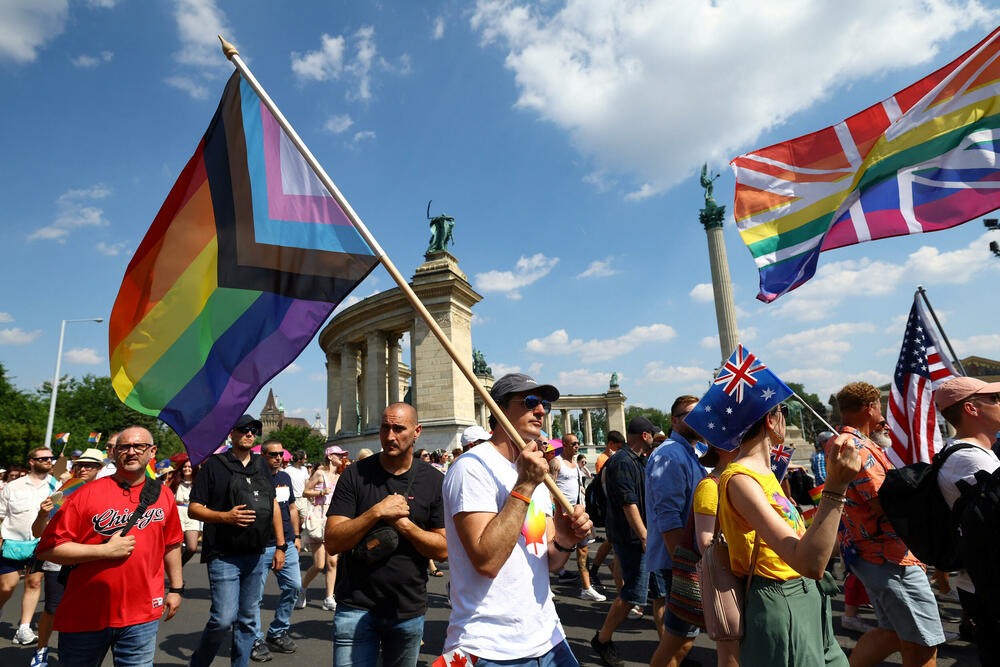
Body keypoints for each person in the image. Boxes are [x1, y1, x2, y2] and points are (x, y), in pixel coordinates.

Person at [442, 373, 591, 665]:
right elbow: (487, 561)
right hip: (489, 648)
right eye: (530, 402)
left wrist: (564, 540)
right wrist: (524, 486)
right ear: (499, 409)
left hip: (548, 638)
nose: (541, 411)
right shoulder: (471, 468)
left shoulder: (535, 470)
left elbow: (549, 561)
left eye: (544, 404)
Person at [719, 402, 860, 665]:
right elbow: (809, 563)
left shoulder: (766, 474)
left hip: (808, 596)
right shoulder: (740, 480)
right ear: (770, 421)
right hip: (782, 600)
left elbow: (811, 550)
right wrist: (836, 486)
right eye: (783, 411)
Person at [35, 426, 184, 666]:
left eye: (139, 446)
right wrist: (103, 551)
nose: (132, 452)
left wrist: (177, 589)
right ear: (114, 452)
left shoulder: (164, 495)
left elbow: (172, 544)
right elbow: (47, 549)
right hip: (86, 613)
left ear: (152, 451)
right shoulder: (83, 494)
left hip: (141, 616)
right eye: (124, 447)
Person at [326, 403, 447, 666]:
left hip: (407, 609)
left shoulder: (433, 480)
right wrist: (376, 513)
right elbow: (333, 542)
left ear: (417, 432)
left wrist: (405, 526)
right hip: (355, 606)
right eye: (385, 427)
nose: (390, 436)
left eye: (399, 429)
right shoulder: (355, 474)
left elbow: (442, 550)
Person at [834, 382, 945, 667]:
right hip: (890, 556)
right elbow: (883, 502)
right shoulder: (857, 446)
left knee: (892, 633)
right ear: (870, 407)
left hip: (874, 553)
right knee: (924, 644)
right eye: (879, 406)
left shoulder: (845, 441)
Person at [188, 414, 287, 667]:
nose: (250, 433)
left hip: (256, 553)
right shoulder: (213, 465)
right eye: (244, 429)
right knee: (223, 619)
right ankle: (198, 663)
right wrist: (225, 517)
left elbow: (273, 504)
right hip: (223, 555)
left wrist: (280, 545)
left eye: (255, 429)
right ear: (231, 433)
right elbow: (194, 509)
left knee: (247, 621)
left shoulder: (262, 464)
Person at [935, 376, 1000, 664]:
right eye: (994, 399)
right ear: (972, 410)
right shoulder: (972, 461)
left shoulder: (974, 454)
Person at [592, 416, 661, 667]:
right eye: (652, 433)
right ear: (644, 436)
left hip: (647, 537)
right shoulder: (621, 462)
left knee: (661, 595)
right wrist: (645, 537)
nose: (655, 436)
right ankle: (602, 639)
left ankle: (670, 652)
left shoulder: (640, 460)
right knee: (632, 595)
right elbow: (627, 503)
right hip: (633, 539)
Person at [646, 396, 707, 667]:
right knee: (679, 640)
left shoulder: (690, 452)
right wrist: (684, 564)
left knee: (682, 638)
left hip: (688, 558)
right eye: (690, 415)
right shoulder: (670, 454)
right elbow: (668, 517)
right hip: (680, 562)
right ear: (674, 421)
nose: (699, 420)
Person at [29, 447, 104, 667]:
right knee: (53, 607)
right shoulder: (65, 490)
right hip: (60, 559)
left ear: (99, 469)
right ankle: (41, 650)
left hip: (92, 560)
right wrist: (43, 514)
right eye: (80, 464)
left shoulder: (106, 492)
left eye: (89, 465)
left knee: (88, 610)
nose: (83, 469)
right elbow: (38, 532)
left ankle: (76, 654)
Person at [0, 445, 57, 646]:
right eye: (44, 459)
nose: (49, 461)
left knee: (33, 583)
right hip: (13, 542)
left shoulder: (56, 485)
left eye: (51, 458)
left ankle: (24, 628)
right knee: (7, 587)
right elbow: (0, 516)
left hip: (40, 543)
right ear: (32, 462)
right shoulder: (12, 486)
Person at [252, 439, 301, 660]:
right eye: (273, 454)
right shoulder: (253, 478)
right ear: (263, 456)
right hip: (260, 546)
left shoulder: (284, 477)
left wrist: (297, 536)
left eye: (281, 454)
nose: (279, 458)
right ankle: (254, 639)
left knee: (294, 587)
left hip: (288, 543)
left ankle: (278, 630)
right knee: (254, 597)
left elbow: (291, 507)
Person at [691, 444, 740, 667]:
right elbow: (705, 544)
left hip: (748, 578)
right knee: (731, 656)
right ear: (721, 448)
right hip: (728, 581)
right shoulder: (710, 486)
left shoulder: (742, 480)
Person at [552, 432, 605, 602]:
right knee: (555, 551)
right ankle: (544, 583)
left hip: (576, 513)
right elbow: (550, 487)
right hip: (561, 515)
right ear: (565, 445)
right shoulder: (556, 462)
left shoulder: (575, 464)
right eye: (573, 443)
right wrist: (553, 510)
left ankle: (586, 587)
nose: (577, 446)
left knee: (583, 550)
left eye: (578, 443)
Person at [299, 445, 344, 611]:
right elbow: (305, 492)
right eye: (339, 455)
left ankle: (328, 598)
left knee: (332, 562)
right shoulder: (320, 473)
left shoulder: (340, 477)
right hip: (318, 518)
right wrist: (320, 493)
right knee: (319, 565)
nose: (341, 457)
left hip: (333, 519)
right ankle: (302, 589)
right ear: (330, 456)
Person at [589, 430, 626, 587]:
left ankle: (595, 570)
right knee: (615, 543)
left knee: (611, 542)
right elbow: (605, 484)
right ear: (610, 445)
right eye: (618, 447)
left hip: (613, 509)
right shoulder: (603, 459)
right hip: (611, 508)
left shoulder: (610, 458)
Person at [169, 454, 202, 565]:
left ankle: (179, 565)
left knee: (192, 548)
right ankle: (175, 574)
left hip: (192, 515)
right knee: (176, 547)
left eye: (189, 466)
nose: (187, 469)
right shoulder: (175, 482)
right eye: (184, 467)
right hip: (177, 513)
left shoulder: (198, 483)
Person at [284, 450, 310, 530]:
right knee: (293, 519)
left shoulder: (304, 469)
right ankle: (295, 535)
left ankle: (299, 533)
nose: (306, 461)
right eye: (305, 459)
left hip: (303, 498)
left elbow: (307, 482)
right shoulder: (288, 470)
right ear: (299, 460)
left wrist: (309, 494)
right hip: (292, 499)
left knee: (304, 519)